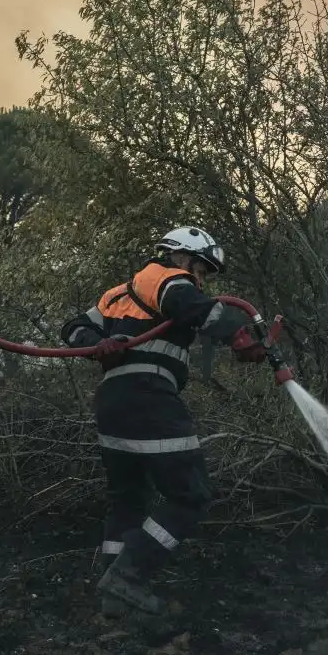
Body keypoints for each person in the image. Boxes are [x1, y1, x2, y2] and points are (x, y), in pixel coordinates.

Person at [60, 227, 271, 618]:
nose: (201, 279)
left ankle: (113, 594)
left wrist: (94, 342)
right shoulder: (168, 278)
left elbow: (73, 326)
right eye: (201, 268)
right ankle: (130, 575)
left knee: (128, 499)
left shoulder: (118, 294)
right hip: (149, 398)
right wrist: (241, 336)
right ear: (180, 256)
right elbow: (196, 308)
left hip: (113, 403)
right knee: (190, 495)